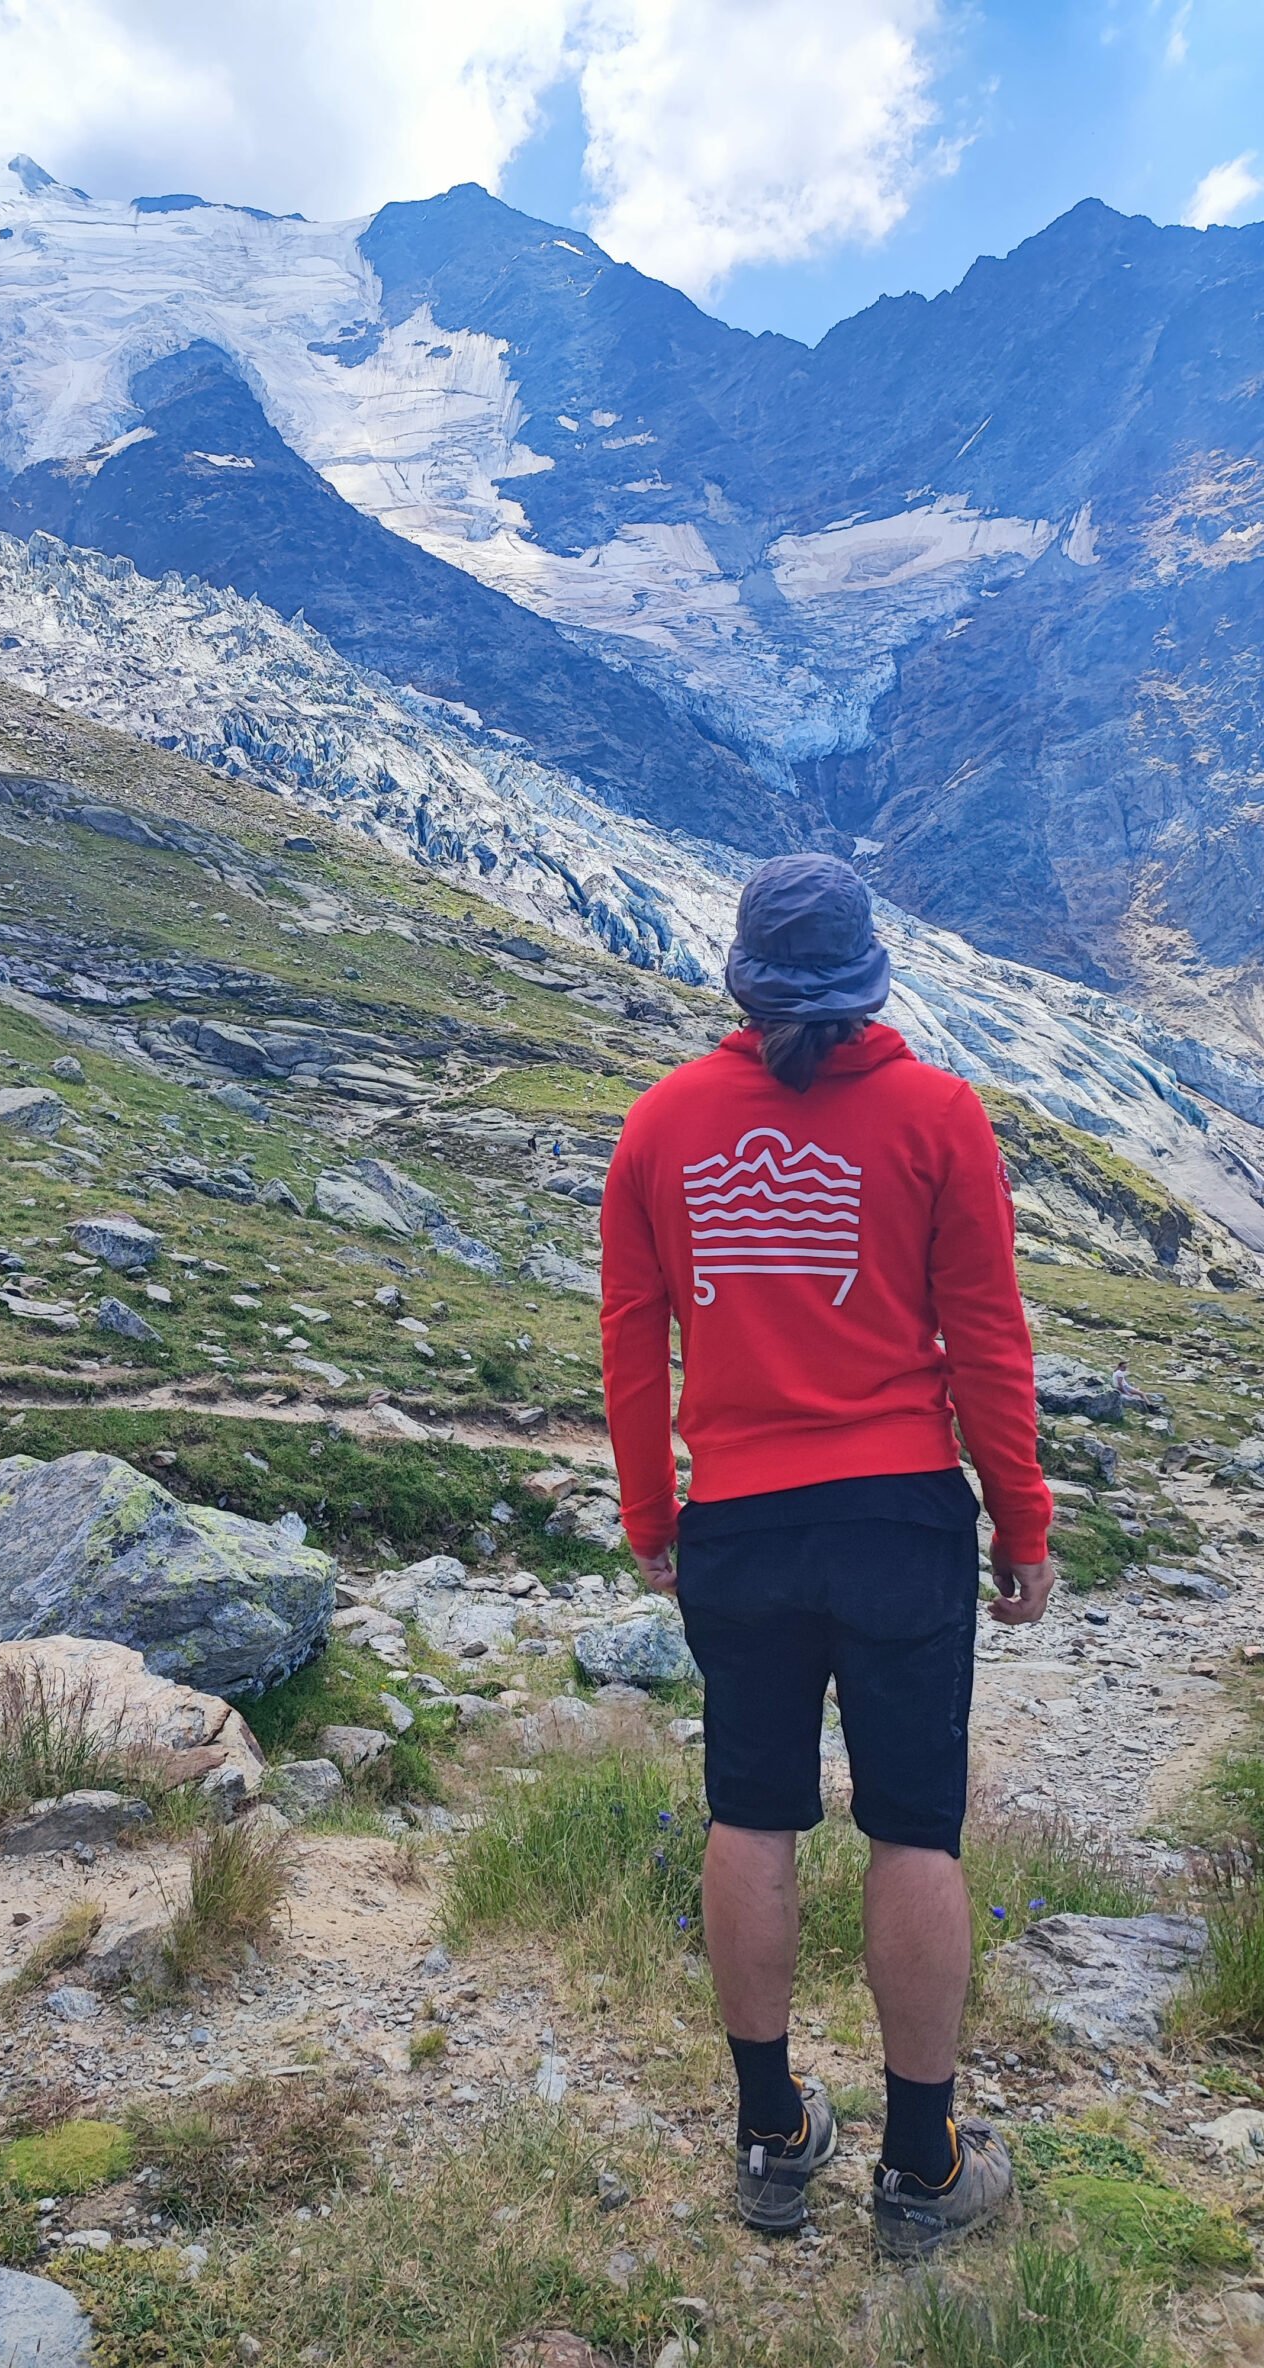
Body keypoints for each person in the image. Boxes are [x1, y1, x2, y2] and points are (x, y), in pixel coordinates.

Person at [599, 853, 1056, 2259]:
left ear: (741, 977)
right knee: (913, 1827)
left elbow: (631, 1343)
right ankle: (922, 2169)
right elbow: (986, 1337)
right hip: (900, 1515)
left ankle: (771, 2136)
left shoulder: (662, 1126)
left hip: (740, 1518)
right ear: (869, 982)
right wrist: (1022, 1517)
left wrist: (652, 1520)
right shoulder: (937, 1115)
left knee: (754, 1813)